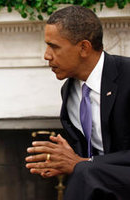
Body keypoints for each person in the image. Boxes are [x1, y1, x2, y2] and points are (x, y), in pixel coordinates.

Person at [25, 5, 130, 200]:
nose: (47, 55)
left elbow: (84, 164)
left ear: (84, 47)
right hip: (99, 185)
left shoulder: (127, 76)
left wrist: (85, 163)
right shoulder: (69, 90)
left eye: (54, 46)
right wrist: (61, 163)